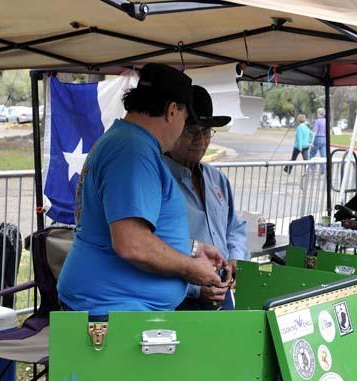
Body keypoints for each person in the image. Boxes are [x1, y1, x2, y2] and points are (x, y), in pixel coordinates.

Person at [58, 63, 229, 316]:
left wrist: (191, 247)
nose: (182, 127)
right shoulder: (133, 150)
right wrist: (191, 268)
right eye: (185, 119)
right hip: (112, 311)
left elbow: (136, 229)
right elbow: (132, 244)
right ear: (172, 111)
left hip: (116, 307)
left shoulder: (128, 142)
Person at [166, 85, 248, 309]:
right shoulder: (159, 181)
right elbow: (152, 249)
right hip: (179, 299)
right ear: (175, 128)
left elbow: (235, 228)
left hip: (222, 293)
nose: (201, 140)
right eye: (192, 131)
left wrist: (235, 257)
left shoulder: (217, 180)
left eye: (207, 131)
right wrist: (195, 287)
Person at [309, 107, 327, 173]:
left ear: (318, 113)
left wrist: (310, 141)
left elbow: (314, 132)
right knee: (323, 156)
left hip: (317, 138)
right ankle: (323, 170)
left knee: (312, 154)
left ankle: (313, 169)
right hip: (324, 139)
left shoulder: (317, 121)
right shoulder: (326, 121)